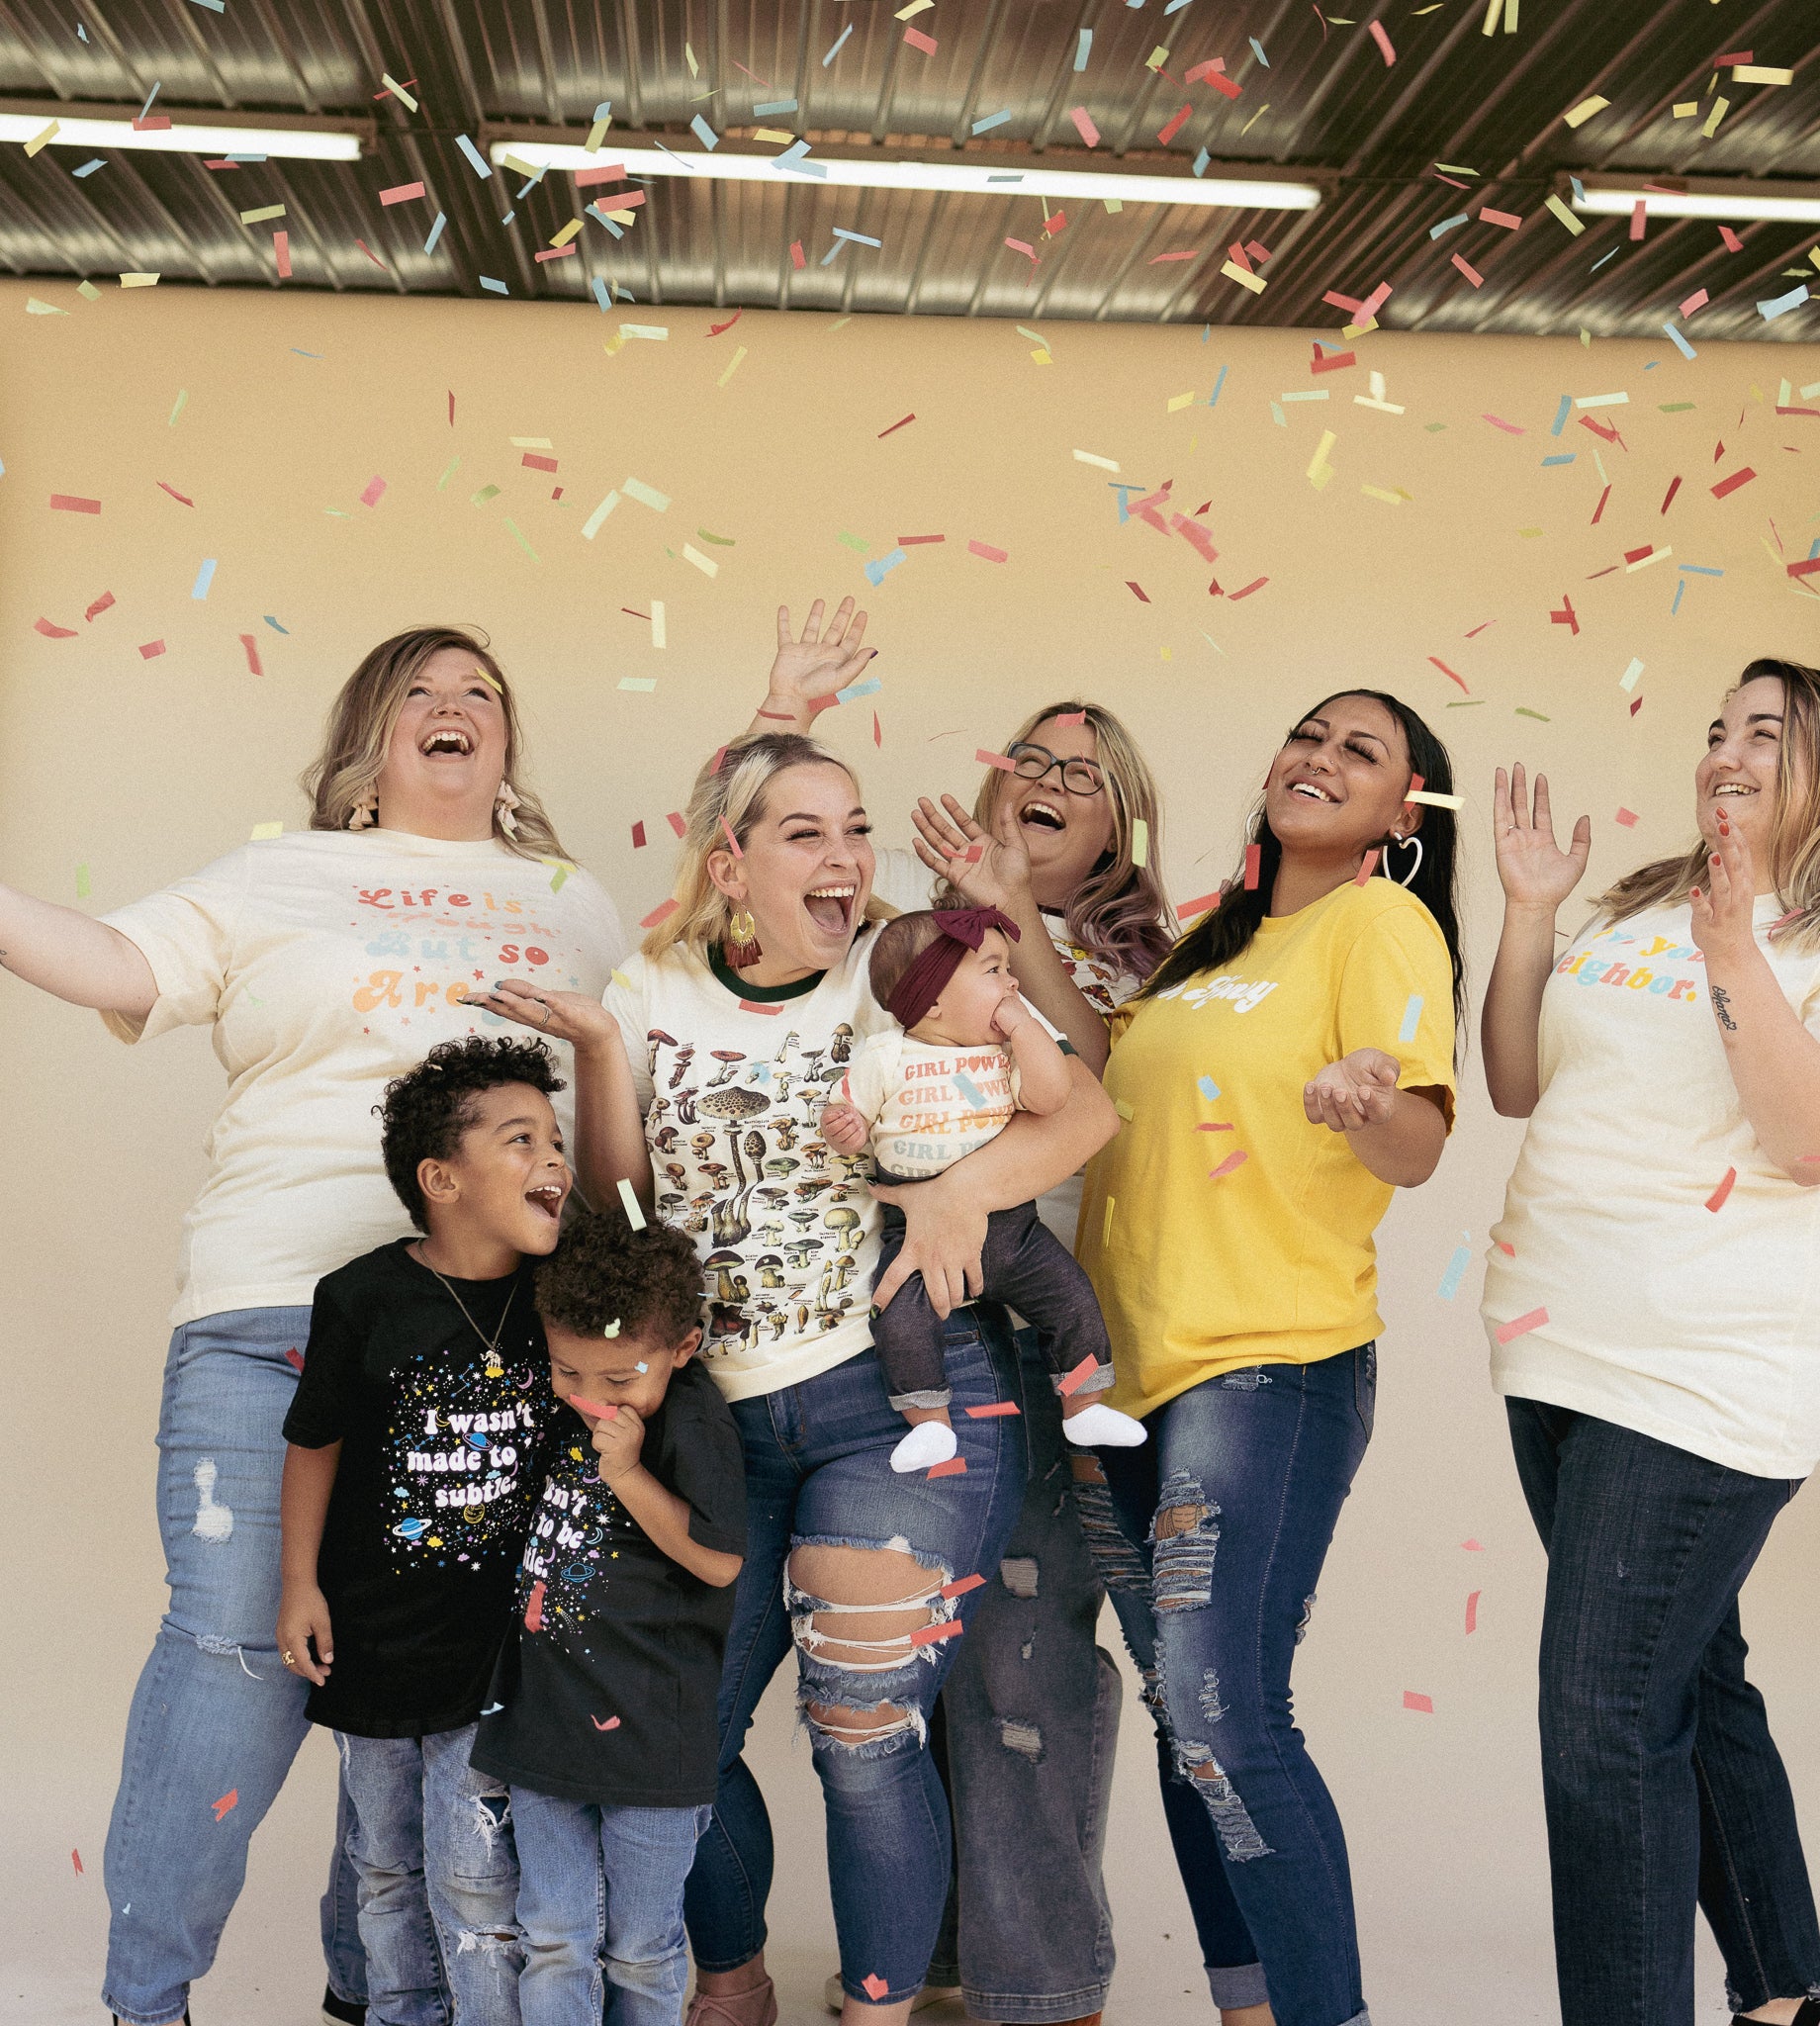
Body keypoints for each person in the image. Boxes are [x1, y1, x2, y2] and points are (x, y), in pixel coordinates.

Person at [0, 621, 626, 2026]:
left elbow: (644, 1036)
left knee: (432, 1654)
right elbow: (112, 964)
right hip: (278, 1307)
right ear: (370, 736)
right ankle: (146, 2001)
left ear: (508, 742)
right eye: (422, 692)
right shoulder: (276, 874)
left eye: (483, 690)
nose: (455, 706)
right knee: (234, 1650)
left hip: (488, 1342)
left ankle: (376, 1987)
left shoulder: (571, 898)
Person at [470, 725, 1118, 2026]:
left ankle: (875, 2010)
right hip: (714, 1423)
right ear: (734, 862)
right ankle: (734, 1976)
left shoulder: (904, 973)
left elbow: (1086, 1112)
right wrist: (603, 1052)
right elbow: (620, 1203)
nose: (846, 855)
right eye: (807, 832)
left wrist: (956, 1198)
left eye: (857, 827)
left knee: (862, 1732)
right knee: (678, 1741)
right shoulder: (652, 990)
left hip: (899, 1404)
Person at [753, 629, 1172, 2026]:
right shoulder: (900, 943)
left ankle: (1041, 1986)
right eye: (1033, 756)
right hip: (871, 1342)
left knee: (1022, 1663)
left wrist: (1020, 930)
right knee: (917, 1656)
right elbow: (748, 946)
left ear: (1119, 828)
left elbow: (1096, 1099)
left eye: (1087, 774)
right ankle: (927, 1962)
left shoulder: (1134, 949)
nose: (1051, 777)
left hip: (1035, 1344)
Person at [1074, 690, 1463, 2026]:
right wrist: (1006, 896)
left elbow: (1416, 1144)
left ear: (1401, 816)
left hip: (1268, 1363)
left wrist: (1371, 1106)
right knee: (1193, 1724)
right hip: (1129, 1380)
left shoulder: (1379, 921)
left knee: (1222, 1704)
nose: (1318, 757)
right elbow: (1094, 1099)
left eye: (1361, 751)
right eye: (1307, 734)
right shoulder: (1204, 942)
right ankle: (1251, 2008)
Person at [1480, 658, 1820, 2026]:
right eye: (1716, 725)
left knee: (1601, 1728)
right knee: (1691, 1683)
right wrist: (1528, 917)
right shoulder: (1639, 903)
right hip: (1557, 1348)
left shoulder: (1780, 932)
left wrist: (1738, 941)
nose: (1727, 751)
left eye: (1767, 732)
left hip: (1701, 1374)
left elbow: (1801, 1143)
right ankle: (1790, 1986)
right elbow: (1518, 1080)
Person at [280, 1035, 574, 2026]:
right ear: (441, 1177)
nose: (554, 1161)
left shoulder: (562, 1295)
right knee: (384, 1863)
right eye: (521, 1138)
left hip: (494, 1649)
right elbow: (314, 1440)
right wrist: (297, 1584)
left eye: (557, 1139)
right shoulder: (362, 1297)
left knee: (479, 1873)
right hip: (371, 1637)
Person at [474, 1206, 746, 2026]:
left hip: (653, 1747)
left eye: (621, 1379)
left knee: (641, 1947)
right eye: (570, 1373)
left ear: (683, 1350)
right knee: (552, 1934)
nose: (592, 1399)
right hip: (545, 1728)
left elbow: (720, 1560)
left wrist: (626, 1474)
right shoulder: (567, 1400)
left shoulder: (689, 1423)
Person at [820, 906, 1144, 1471]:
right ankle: (930, 1422)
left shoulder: (1005, 1055)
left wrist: (1024, 1027)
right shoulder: (886, 1055)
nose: (1012, 982)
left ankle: (1085, 1401)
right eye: (993, 969)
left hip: (1013, 1227)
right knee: (898, 1316)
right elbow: (850, 1118)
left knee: (1071, 1298)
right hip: (916, 1231)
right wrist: (844, 1129)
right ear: (934, 998)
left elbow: (1051, 1097)